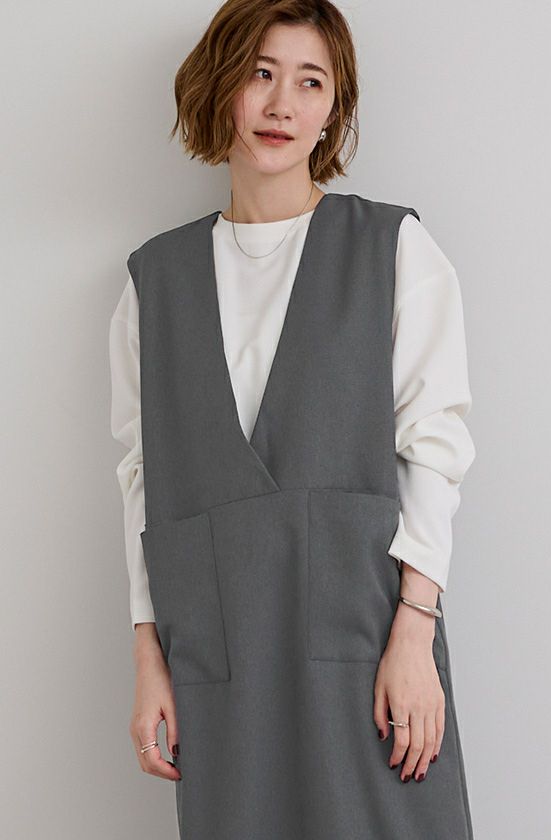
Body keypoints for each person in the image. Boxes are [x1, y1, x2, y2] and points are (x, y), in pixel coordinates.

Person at [109, 1, 477, 837]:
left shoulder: (394, 250)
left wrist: (414, 633)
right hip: (220, 661)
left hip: (369, 652)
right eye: (260, 74)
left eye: (311, 82)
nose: (282, 105)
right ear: (219, 87)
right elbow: (140, 479)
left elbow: (435, 448)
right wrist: (147, 655)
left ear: (333, 108)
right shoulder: (152, 285)